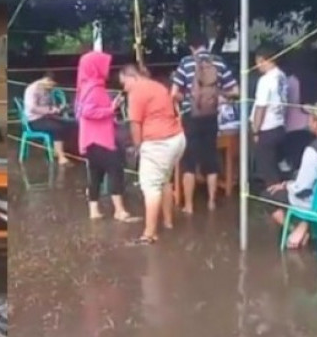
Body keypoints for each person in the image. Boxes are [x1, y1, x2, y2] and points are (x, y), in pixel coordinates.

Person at [266, 99, 317, 249]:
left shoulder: (314, 150)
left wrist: (286, 186)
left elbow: (301, 189)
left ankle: (296, 230)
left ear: (316, 123)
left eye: (310, 117)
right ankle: (304, 226)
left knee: (268, 196)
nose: (308, 120)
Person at [171, 33, 239, 213]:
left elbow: (174, 93)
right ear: (206, 44)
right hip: (211, 117)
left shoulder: (186, 62)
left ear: (192, 47)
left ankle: (189, 206)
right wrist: (218, 95)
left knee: (189, 161)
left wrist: (187, 97)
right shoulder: (219, 62)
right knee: (211, 158)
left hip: (190, 117)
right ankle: (211, 202)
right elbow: (235, 90)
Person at [120, 65, 186, 245]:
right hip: (177, 138)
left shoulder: (136, 92)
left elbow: (135, 124)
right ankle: (168, 221)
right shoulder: (158, 86)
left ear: (131, 77)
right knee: (164, 181)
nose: (123, 88)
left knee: (151, 186)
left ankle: (149, 234)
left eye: (123, 83)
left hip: (158, 143)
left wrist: (138, 147)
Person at [75, 51, 137, 221]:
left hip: (90, 139)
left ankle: (94, 210)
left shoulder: (85, 86)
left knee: (95, 173)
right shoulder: (94, 88)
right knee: (115, 169)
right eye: (104, 64)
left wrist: (111, 106)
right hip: (101, 138)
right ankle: (119, 210)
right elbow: (88, 111)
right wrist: (110, 109)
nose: (107, 68)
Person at [251, 45, 288, 187]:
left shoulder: (265, 80)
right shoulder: (282, 76)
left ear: (262, 60)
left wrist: (255, 130)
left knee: (268, 170)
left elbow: (261, 107)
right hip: (279, 124)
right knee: (275, 166)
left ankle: (275, 204)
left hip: (267, 128)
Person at [22, 72, 71, 165]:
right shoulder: (32, 89)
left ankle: (57, 150)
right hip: (34, 120)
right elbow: (32, 108)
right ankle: (61, 157)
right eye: (52, 84)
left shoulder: (47, 89)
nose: (53, 87)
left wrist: (58, 108)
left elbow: (48, 105)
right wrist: (49, 110)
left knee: (68, 124)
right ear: (47, 80)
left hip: (46, 117)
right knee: (57, 128)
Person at [282, 73, 312, 171]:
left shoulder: (288, 81)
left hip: (292, 125)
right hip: (305, 123)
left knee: (296, 157)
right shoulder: (302, 80)